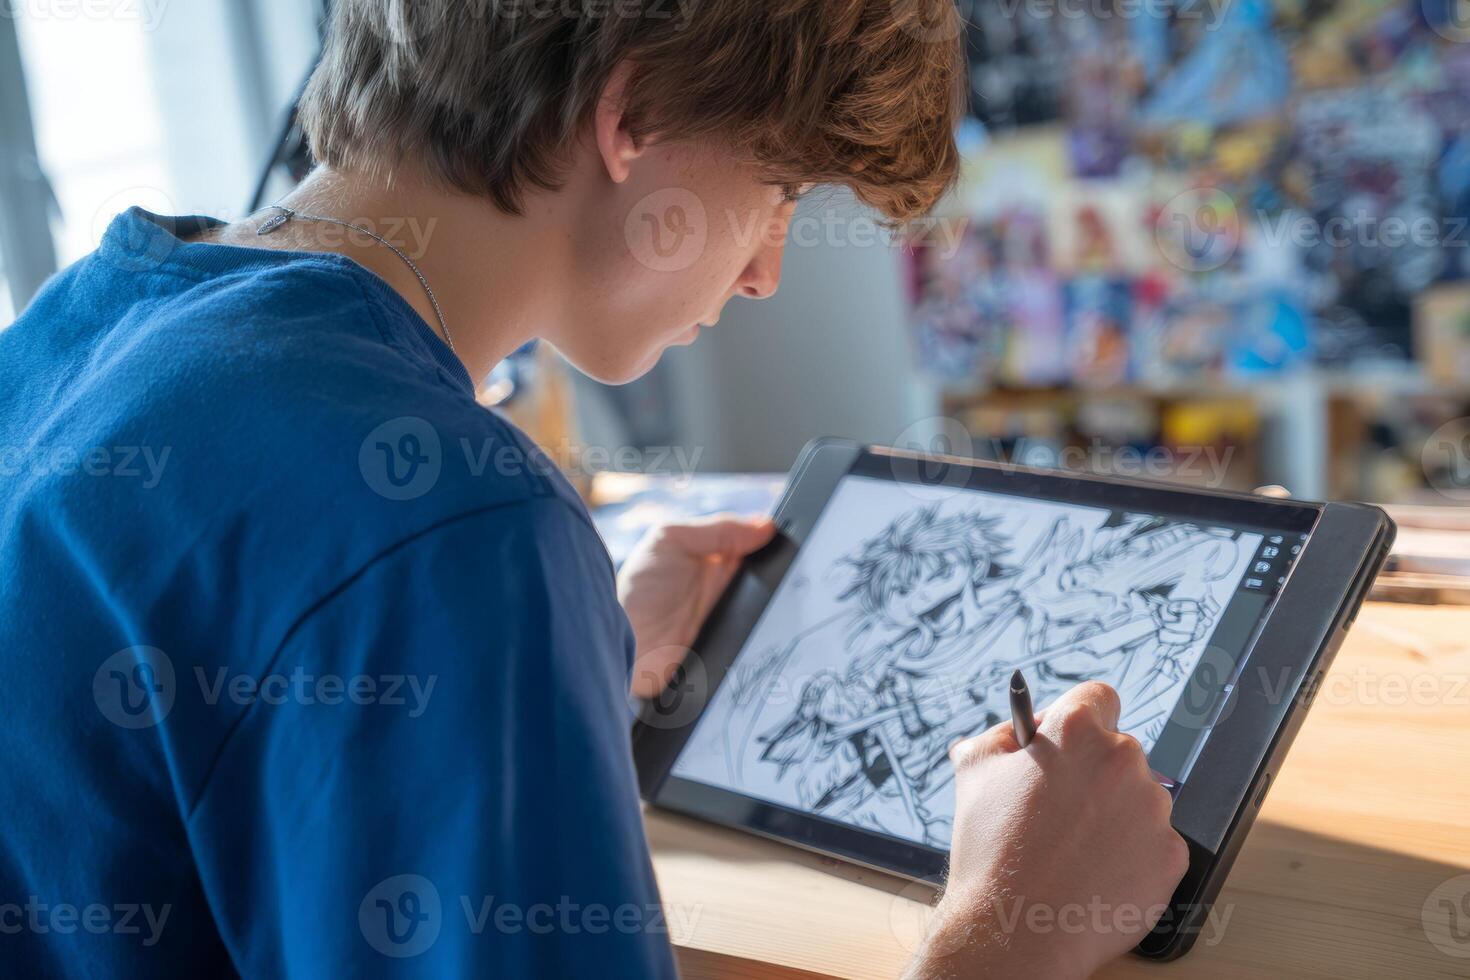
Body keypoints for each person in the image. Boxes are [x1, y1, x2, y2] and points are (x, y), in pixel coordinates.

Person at [0, 1, 1188, 977]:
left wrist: (570, 671)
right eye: (781, 190)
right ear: (637, 118)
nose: (771, 269)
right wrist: (1011, 926)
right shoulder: (454, 529)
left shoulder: (83, 325)